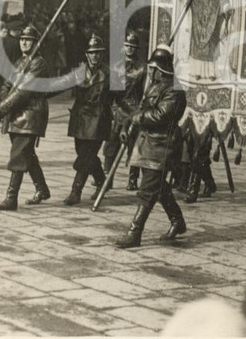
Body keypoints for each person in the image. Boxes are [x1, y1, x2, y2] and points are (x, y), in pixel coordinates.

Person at [115, 45, 188, 248]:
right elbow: (143, 109)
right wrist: (130, 124)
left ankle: (135, 232)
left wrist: (139, 118)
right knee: (159, 188)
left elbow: (162, 115)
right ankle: (177, 221)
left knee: (147, 190)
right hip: (148, 143)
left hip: (163, 145)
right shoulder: (154, 86)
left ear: (162, 69)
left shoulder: (174, 89)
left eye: (154, 68)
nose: (151, 72)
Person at [0, 25, 49, 211]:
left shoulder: (38, 63)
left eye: (28, 40)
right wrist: (1, 102)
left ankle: (11, 197)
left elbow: (23, 92)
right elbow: (8, 83)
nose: (24, 42)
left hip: (30, 115)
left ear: (35, 43)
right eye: (22, 39)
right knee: (27, 154)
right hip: (16, 114)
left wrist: (0, 109)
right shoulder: (20, 61)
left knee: (18, 154)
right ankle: (42, 189)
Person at [61, 34, 113, 205]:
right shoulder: (79, 72)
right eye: (92, 52)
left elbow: (121, 98)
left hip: (99, 120)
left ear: (102, 54)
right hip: (80, 118)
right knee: (85, 154)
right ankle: (101, 182)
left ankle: (75, 192)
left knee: (86, 155)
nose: (95, 56)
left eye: (98, 52)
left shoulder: (110, 74)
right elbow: (59, 85)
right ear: (87, 54)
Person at [106, 31, 146, 192]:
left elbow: (143, 91)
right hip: (117, 109)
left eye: (133, 47)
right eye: (127, 46)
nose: (129, 49)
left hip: (133, 109)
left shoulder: (142, 68)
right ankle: (107, 178)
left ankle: (133, 179)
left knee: (133, 147)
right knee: (110, 145)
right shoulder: (115, 66)